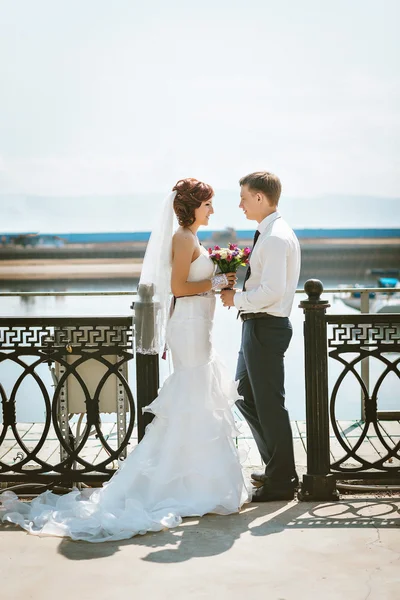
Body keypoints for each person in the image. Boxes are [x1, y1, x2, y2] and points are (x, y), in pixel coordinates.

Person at [0, 178, 250, 542]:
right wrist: (215, 285)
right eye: (208, 204)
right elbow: (179, 287)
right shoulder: (182, 238)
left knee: (200, 396)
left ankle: (197, 479)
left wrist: (219, 281)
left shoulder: (191, 239)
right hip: (189, 329)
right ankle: (186, 483)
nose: (212, 210)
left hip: (200, 327)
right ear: (193, 206)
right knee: (193, 395)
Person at [221, 172, 301, 501]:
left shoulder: (276, 237)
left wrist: (235, 299)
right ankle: (276, 468)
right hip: (255, 325)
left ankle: (282, 481)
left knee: (270, 405)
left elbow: (273, 291)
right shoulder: (266, 233)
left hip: (267, 326)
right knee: (245, 396)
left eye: (243, 197)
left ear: (259, 197)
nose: (239, 204)